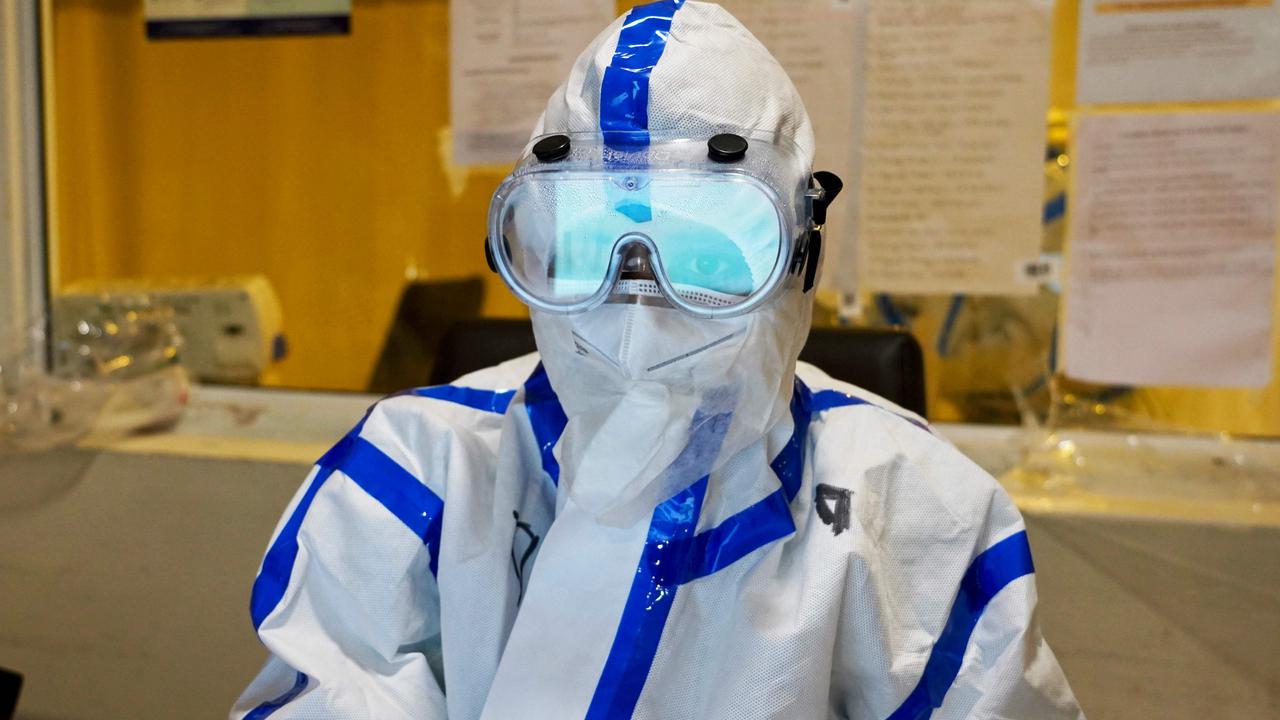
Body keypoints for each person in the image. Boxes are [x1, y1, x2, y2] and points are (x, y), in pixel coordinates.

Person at [232, 2, 1084, 718]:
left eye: (703, 252)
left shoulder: (910, 503)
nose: (637, 302)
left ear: (799, 259)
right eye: (591, 245)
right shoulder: (414, 469)